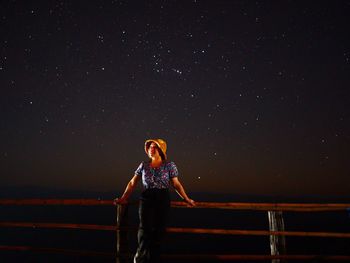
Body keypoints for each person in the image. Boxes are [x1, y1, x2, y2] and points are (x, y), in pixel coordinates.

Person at [114, 138, 195, 263]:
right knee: (144, 228)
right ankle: (139, 257)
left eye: (155, 147)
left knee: (159, 230)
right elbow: (132, 183)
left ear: (161, 150)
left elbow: (176, 184)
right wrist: (124, 198)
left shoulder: (169, 165)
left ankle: (153, 258)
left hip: (162, 197)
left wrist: (187, 199)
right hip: (147, 197)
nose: (151, 149)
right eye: (150, 147)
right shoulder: (144, 165)